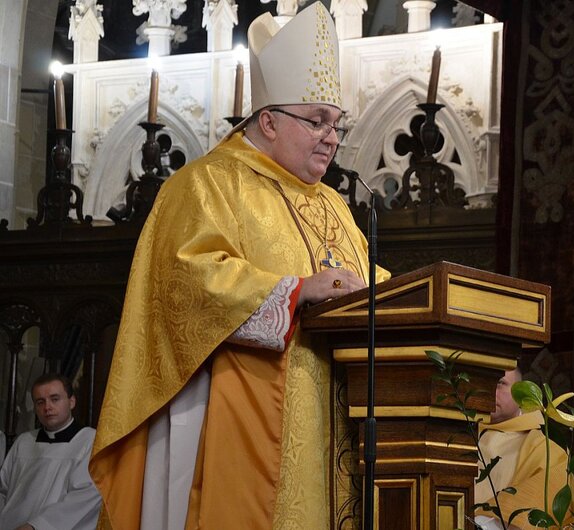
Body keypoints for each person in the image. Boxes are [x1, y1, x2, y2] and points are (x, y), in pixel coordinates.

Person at [89, 4, 390, 529]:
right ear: (268, 121)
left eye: (336, 123)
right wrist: (295, 291)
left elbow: (368, 280)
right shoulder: (207, 184)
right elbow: (186, 283)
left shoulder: (334, 204)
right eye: (317, 121)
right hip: (239, 423)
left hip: (333, 426)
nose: (332, 137)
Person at [474, 367, 574, 530]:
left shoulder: (545, 449)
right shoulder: (457, 433)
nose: (490, 389)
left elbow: (536, 512)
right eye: (485, 381)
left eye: (500, 383)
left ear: (521, 395)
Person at [0, 373, 101, 530]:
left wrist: (36, 526)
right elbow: (3, 489)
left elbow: (86, 496)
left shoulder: (90, 440)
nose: (47, 407)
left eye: (55, 399)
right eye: (40, 402)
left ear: (72, 402)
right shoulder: (24, 441)